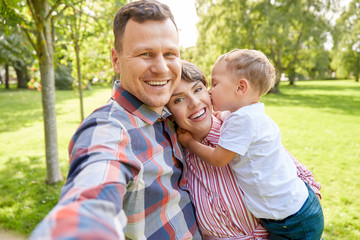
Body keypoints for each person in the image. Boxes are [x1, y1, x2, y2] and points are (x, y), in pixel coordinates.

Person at [30, 1, 201, 239]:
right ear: (116, 60)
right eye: (145, 54)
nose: (162, 68)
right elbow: (93, 193)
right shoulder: (110, 130)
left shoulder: (171, 113)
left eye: (170, 54)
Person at [172, 58, 324, 239]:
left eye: (198, 89)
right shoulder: (175, 154)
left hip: (289, 223)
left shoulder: (240, 129)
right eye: (178, 99)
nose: (195, 102)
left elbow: (301, 174)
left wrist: (190, 142)